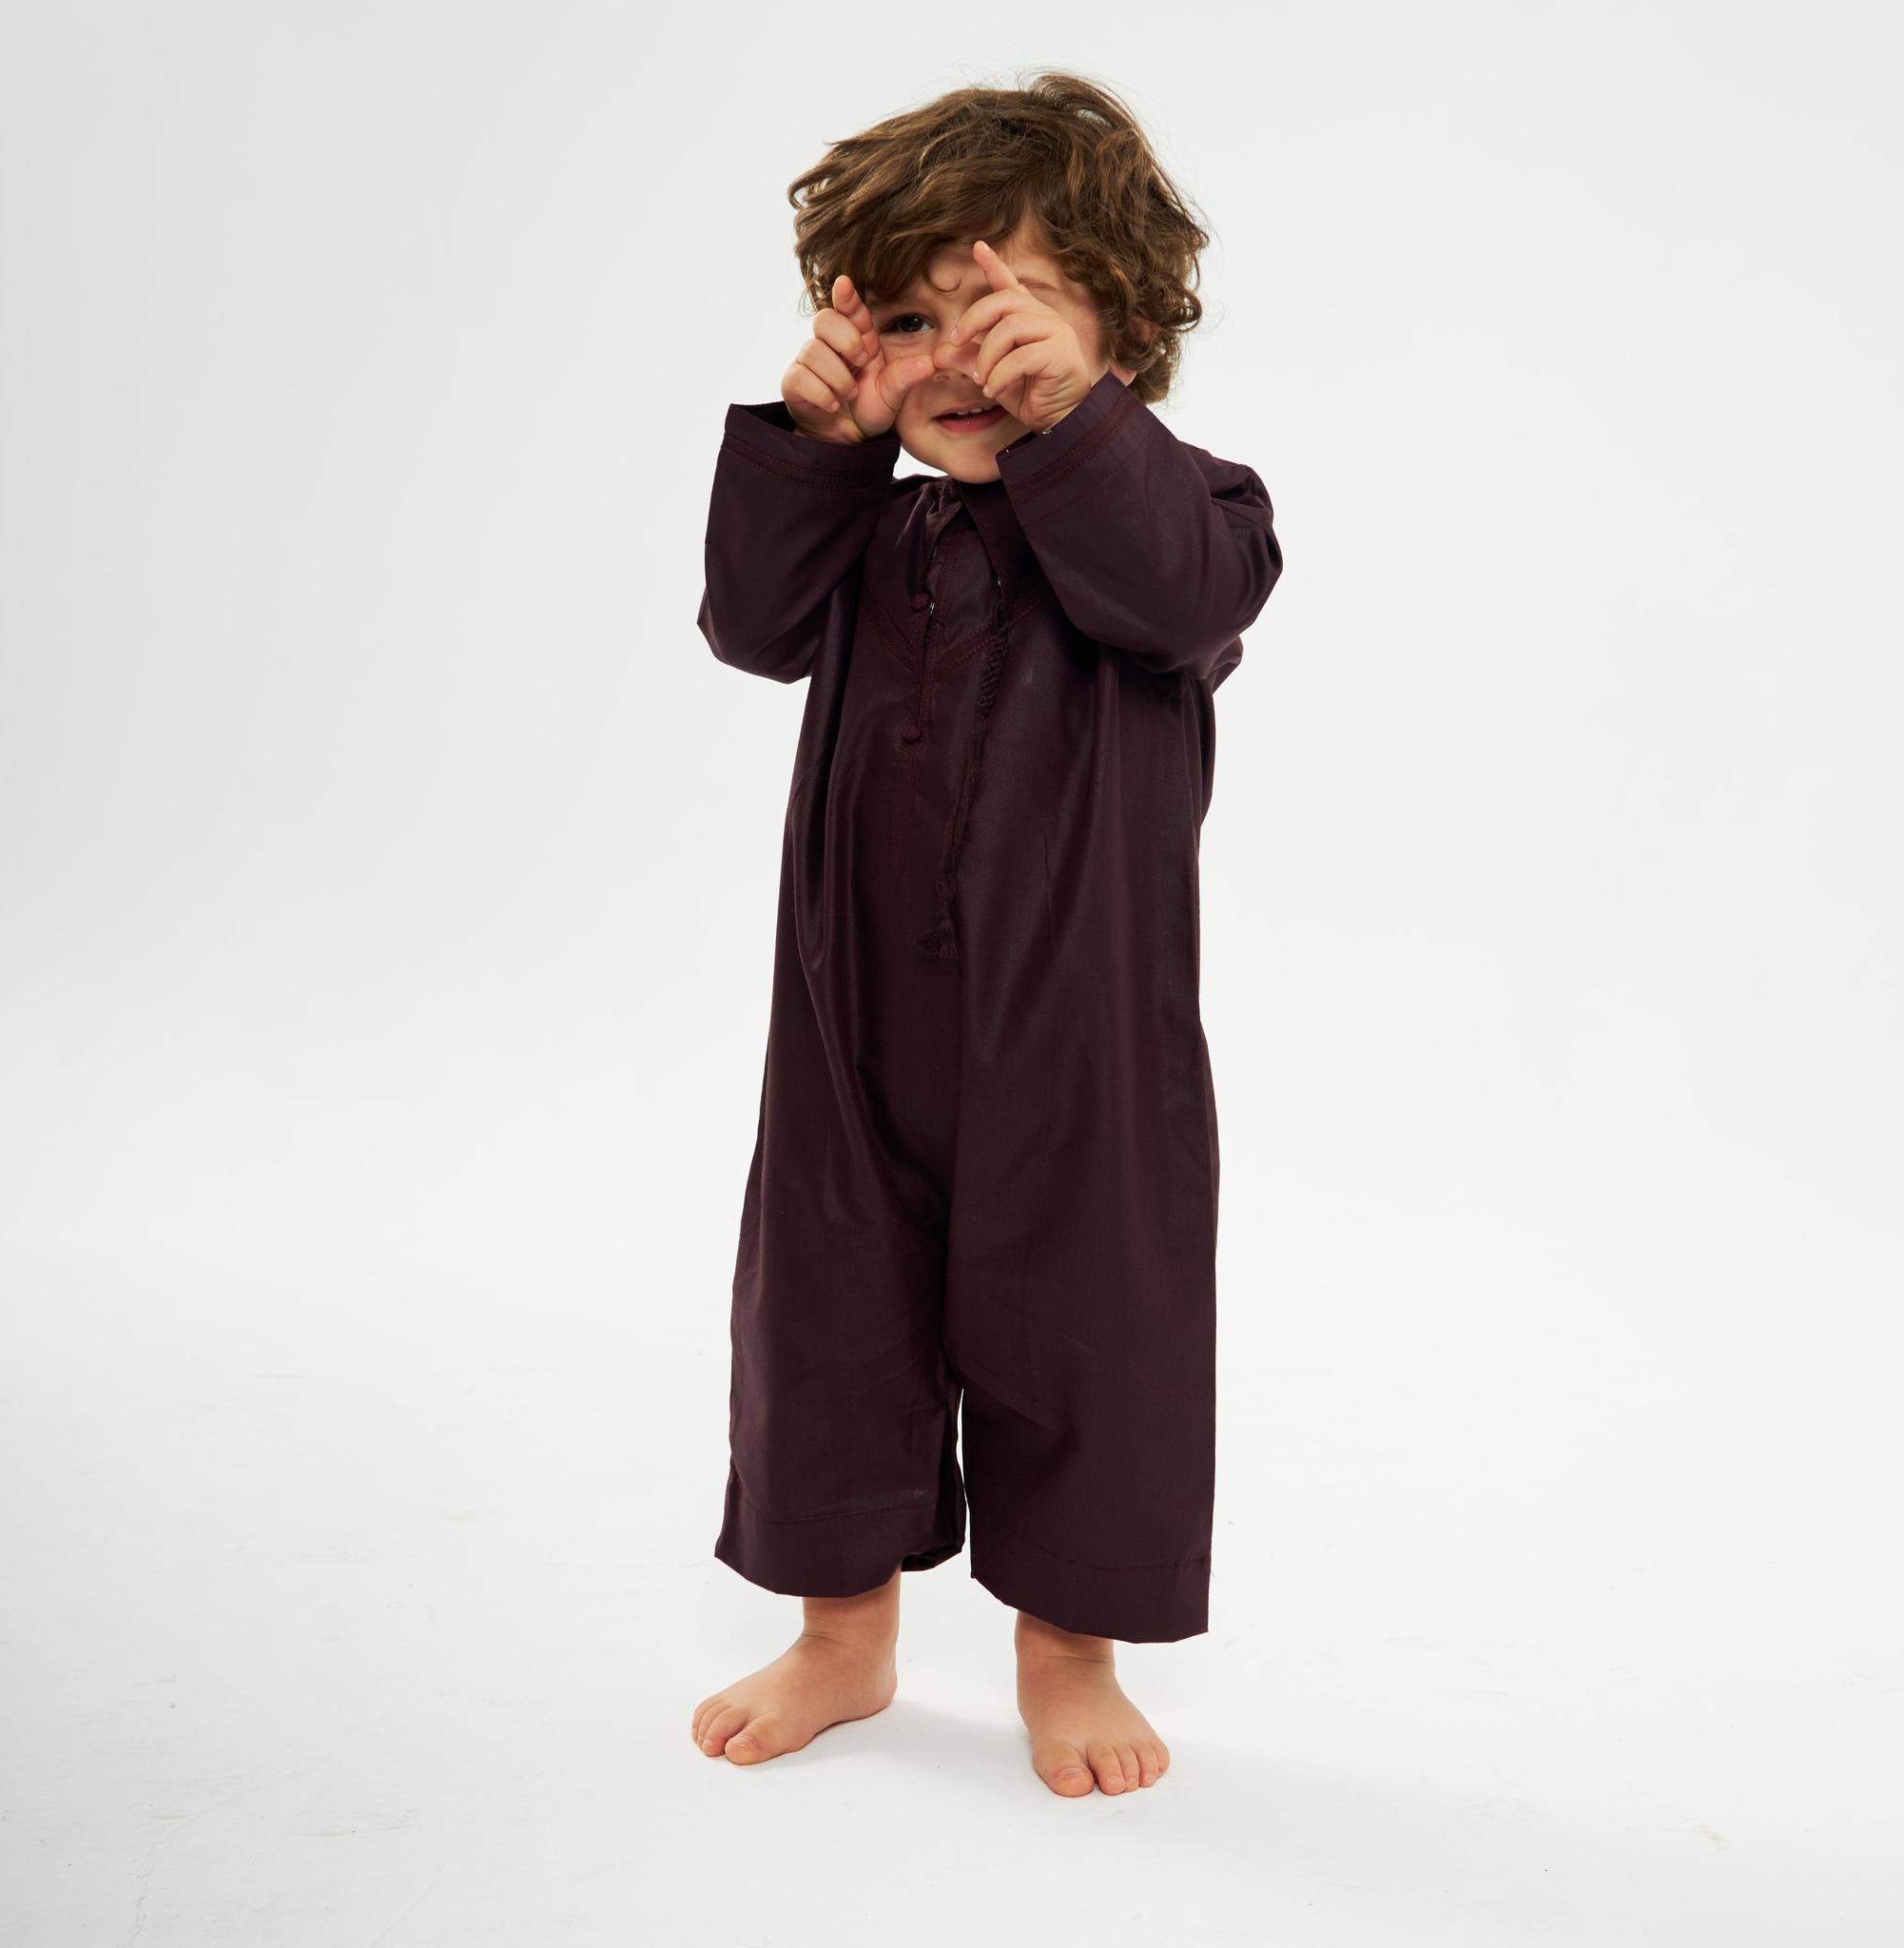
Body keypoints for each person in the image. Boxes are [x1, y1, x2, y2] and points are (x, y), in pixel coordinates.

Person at [689, 72, 1283, 1797]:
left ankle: (1068, 1653)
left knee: (1088, 1325)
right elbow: (747, 625)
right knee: (825, 1318)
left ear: (1126, 326)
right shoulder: (871, 532)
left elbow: (1172, 599)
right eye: (906, 322)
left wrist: (1072, 421)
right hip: (852, 1026)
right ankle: (841, 1635)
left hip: (1082, 1038)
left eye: (1004, 310)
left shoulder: (1192, 509)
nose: (957, 358)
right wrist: (815, 445)